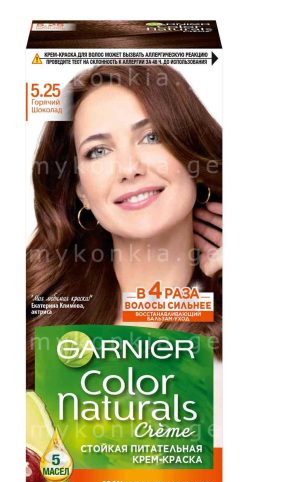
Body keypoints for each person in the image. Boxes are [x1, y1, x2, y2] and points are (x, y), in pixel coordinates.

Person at [27, 65, 222, 386]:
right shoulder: (38, 313)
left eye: (151, 137)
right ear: (80, 191)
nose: (130, 169)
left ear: (193, 158)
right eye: (98, 151)